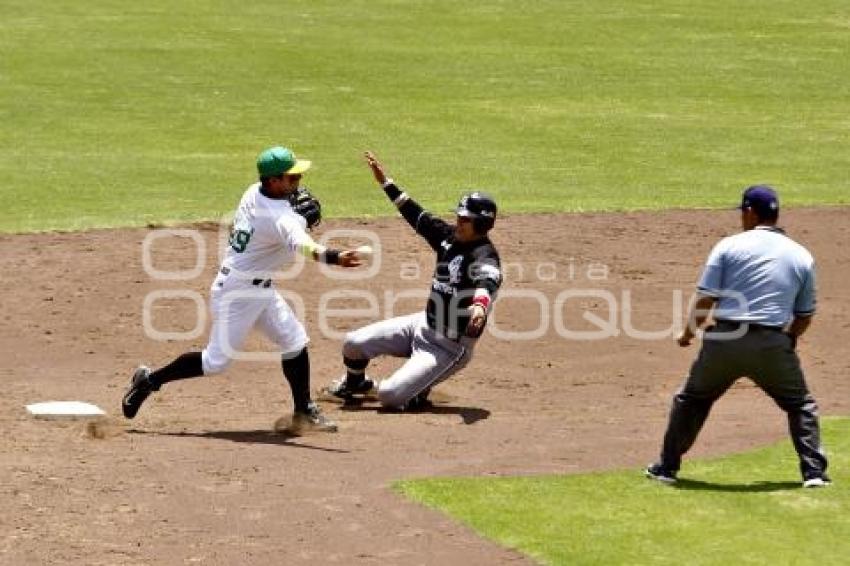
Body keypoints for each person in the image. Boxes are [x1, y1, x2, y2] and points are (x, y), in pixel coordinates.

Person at [123, 146, 363, 433]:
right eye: (292, 177)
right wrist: (336, 256)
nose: (298, 183)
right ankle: (149, 381)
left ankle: (303, 411)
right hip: (237, 294)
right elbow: (304, 246)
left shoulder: (254, 191)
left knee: (294, 340)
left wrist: (295, 217)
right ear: (274, 181)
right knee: (215, 362)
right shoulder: (281, 218)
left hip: (257, 288)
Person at [646, 185, 830, 487]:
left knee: (692, 400)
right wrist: (789, 339)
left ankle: (666, 469)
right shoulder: (801, 256)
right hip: (772, 343)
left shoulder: (728, 247)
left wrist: (687, 333)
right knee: (799, 405)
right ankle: (813, 474)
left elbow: (706, 299)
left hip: (725, 341)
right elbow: (805, 314)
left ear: (749, 212)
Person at [321, 151, 502, 410]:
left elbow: (489, 279)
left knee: (389, 396)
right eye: (459, 217)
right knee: (353, 344)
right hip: (422, 325)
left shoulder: (484, 256)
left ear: (481, 224)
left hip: (448, 347)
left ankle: (417, 390)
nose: (458, 222)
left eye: (465, 219)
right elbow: (416, 215)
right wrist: (386, 182)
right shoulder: (448, 237)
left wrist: (481, 305)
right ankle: (356, 384)